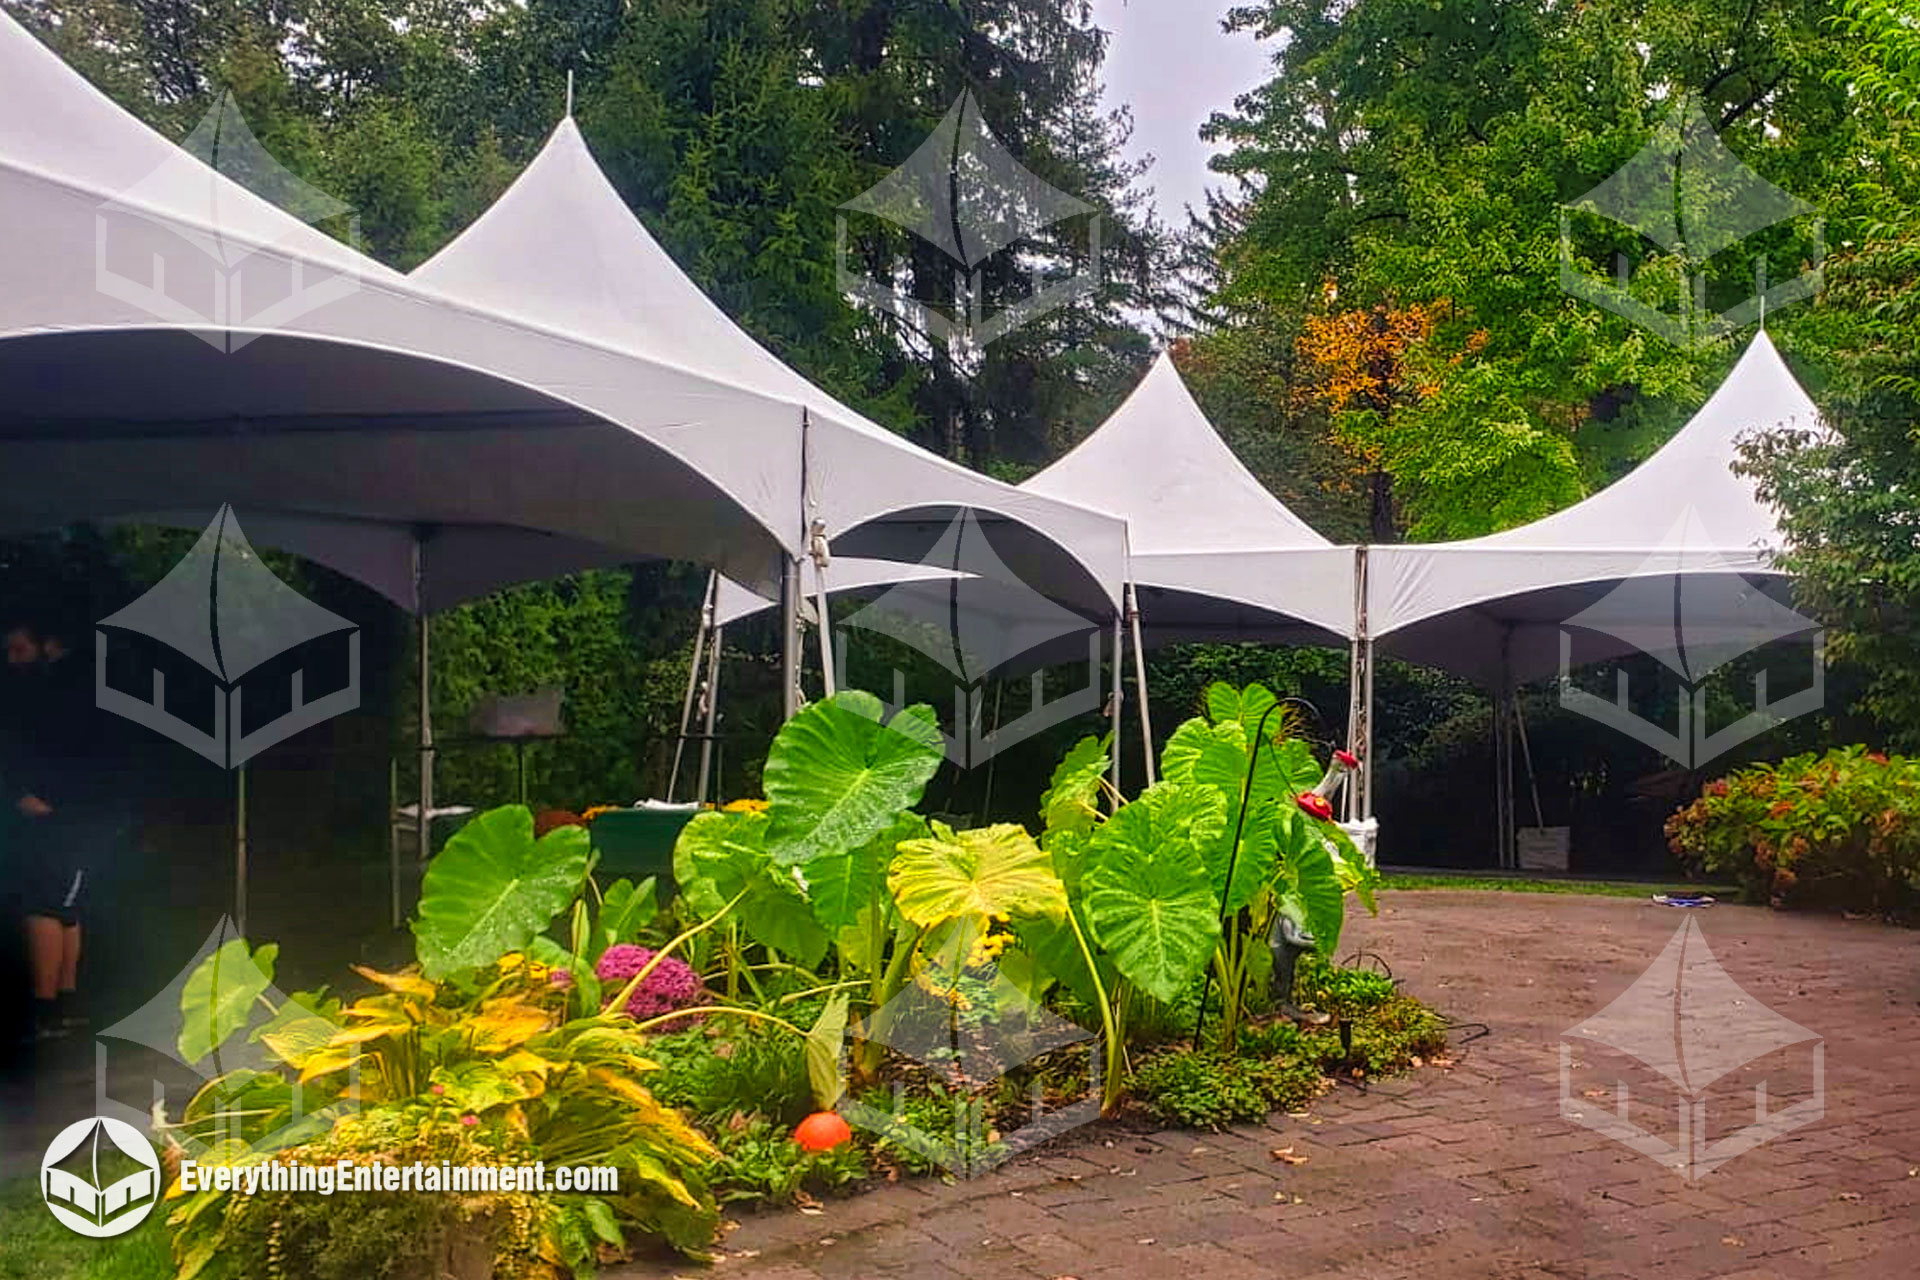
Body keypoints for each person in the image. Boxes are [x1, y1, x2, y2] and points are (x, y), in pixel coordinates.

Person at [7, 617, 125, 1041]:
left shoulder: (56, 694)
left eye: (20, 650)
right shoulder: (77, 688)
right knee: (65, 907)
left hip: (66, 816)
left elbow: (60, 753)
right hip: (77, 814)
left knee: (45, 907)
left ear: (50, 646)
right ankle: (62, 1004)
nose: (12, 660)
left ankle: (47, 1009)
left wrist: (29, 794)